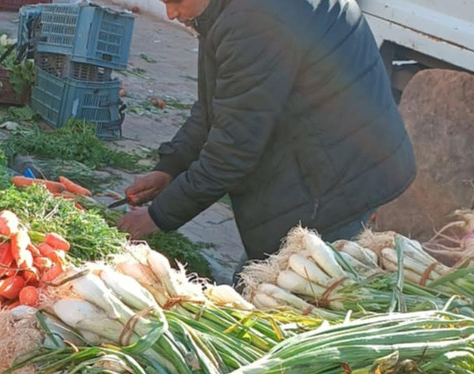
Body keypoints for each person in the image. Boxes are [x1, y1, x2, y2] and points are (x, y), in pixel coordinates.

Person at [118, 0, 416, 277]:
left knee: (287, 299)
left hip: (342, 177)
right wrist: (170, 166)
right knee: (256, 280)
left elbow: (233, 148)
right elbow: (220, 106)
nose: (171, 14)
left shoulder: (255, 20)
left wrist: (158, 216)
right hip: (324, 153)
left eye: (175, 1)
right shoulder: (231, 11)